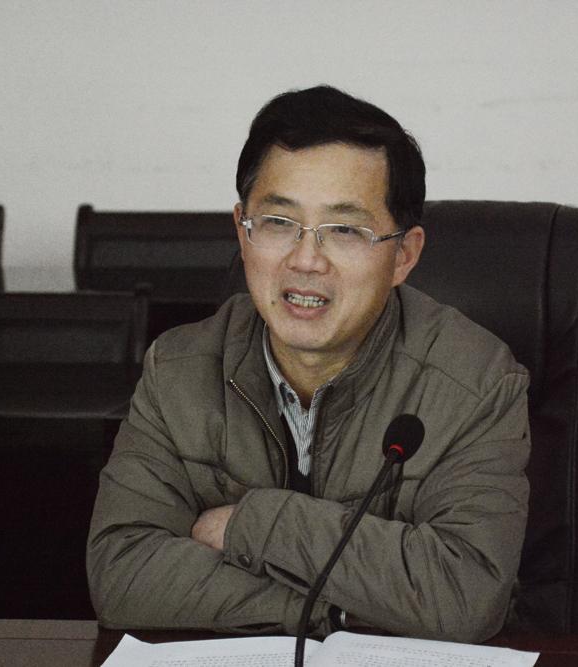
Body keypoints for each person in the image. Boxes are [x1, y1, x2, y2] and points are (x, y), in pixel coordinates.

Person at [86, 85, 530, 643]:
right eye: (278, 222)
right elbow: (123, 576)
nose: (305, 260)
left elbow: (465, 596)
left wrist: (249, 523)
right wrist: (341, 612)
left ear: (404, 255)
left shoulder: (478, 381)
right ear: (242, 232)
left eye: (344, 230)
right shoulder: (177, 369)